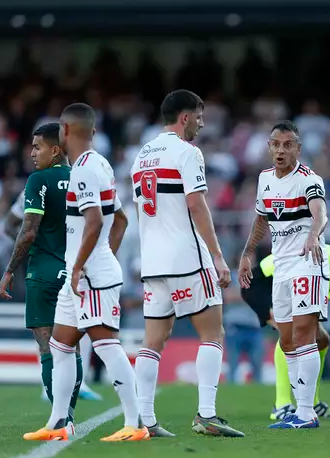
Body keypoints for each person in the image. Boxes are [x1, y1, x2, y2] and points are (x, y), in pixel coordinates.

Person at [22, 103, 140, 442]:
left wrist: (83, 265)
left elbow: (93, 221)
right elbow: (119, 219)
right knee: (60, 347)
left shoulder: (86, 170)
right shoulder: (97, 162)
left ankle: (135, 423)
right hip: (84, 273)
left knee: (106, 345)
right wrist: (103, 255)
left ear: (67, 131)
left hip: (87, 275)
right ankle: (59, 422)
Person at [130, 89, 244, 438]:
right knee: (212, 333)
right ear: (184, 118)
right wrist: (219, 256)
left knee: (153, 341)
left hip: (152, 262)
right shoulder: (187, 152)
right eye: (199, 116)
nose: (202, 123)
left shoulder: (142, 155)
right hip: (187, 259)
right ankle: (207, 415)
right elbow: (196, 205)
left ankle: (144, 419)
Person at [238, 120, 329, 429]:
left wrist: (313, 235)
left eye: (287, 144)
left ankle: (306, 412)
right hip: (281, 265)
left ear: (298, 149)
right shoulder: (264, 179)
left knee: (304, 334)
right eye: (276, 144)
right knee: (286, 338)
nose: (281, 150)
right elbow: (262, 219)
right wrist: (248, 252)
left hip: (307, 261)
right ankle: (298, 410)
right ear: (269, 147)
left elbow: (320, 213)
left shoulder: (308, 179)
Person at [0, 123, 84, 422]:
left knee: (47, 344)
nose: (32, 153)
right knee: (71, 346)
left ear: (56, 149)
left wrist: (10, 269)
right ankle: (69, 414)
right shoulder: (83, 176)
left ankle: (61, 418)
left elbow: (27, 231)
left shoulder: (38, 180)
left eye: (37, 147)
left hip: (45, 271)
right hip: (77, 270)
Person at [240, 244, 330, 420]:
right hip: (262, 283)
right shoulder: (322, 261)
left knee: (321, 340)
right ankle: (281, 405)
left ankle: (312, 402)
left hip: (292, 287)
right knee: (292, 335)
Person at [6, 187, 102, 403]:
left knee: (75, 320)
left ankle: (78, 382)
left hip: (71, 262)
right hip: (57, 264)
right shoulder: (37, 189)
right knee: (56, 322)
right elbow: (9, 225)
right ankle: (51, 385)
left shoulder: (62, 184)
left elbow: (8, 225)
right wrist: (37, 244)